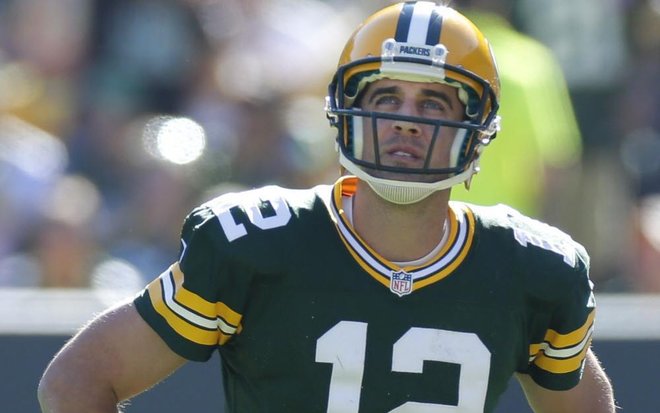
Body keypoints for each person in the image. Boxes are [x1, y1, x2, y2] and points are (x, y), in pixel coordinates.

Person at [38, 2, 616, 412]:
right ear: (345, 111)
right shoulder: (257, 242)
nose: (404, 120)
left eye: (434, 103)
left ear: (476, 128)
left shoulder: (533, 271)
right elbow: (77, 381)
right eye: (387, 96)